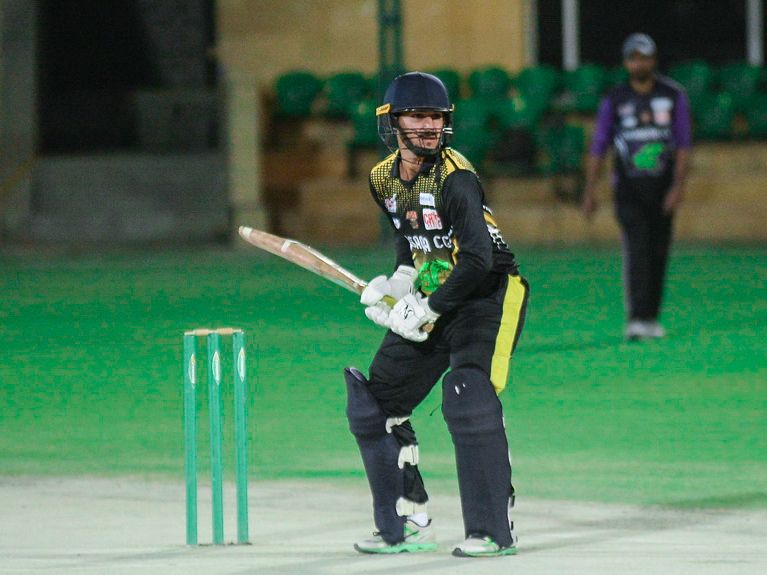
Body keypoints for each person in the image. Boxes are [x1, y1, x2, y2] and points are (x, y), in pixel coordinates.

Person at [344, 71, 529, 558]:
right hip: (437, 289)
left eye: (436, 117)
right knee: (375, 405)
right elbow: (410, 236)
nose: (428, 126)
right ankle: (407, 520)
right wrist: (400, 281)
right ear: (392, 122)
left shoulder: (455, 178)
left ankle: (493, 529)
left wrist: (427, 307)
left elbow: (478, 260)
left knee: (468, 393)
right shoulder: (382, 178)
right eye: (417, 116)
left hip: (489, 295)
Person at [582, 33, 692, 341]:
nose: (639, 64)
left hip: (662, 189)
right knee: (638, 250)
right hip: (629, 190)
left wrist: (677, 187)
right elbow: (599, 145)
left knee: (658, 252)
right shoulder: (616, 100)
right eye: (633, 58)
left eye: (644, 58)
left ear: (653, 60)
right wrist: (590, 189)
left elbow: (683, 144)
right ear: (626, 62)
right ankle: (637, 318)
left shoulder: (673, 96)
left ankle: (651, 317)